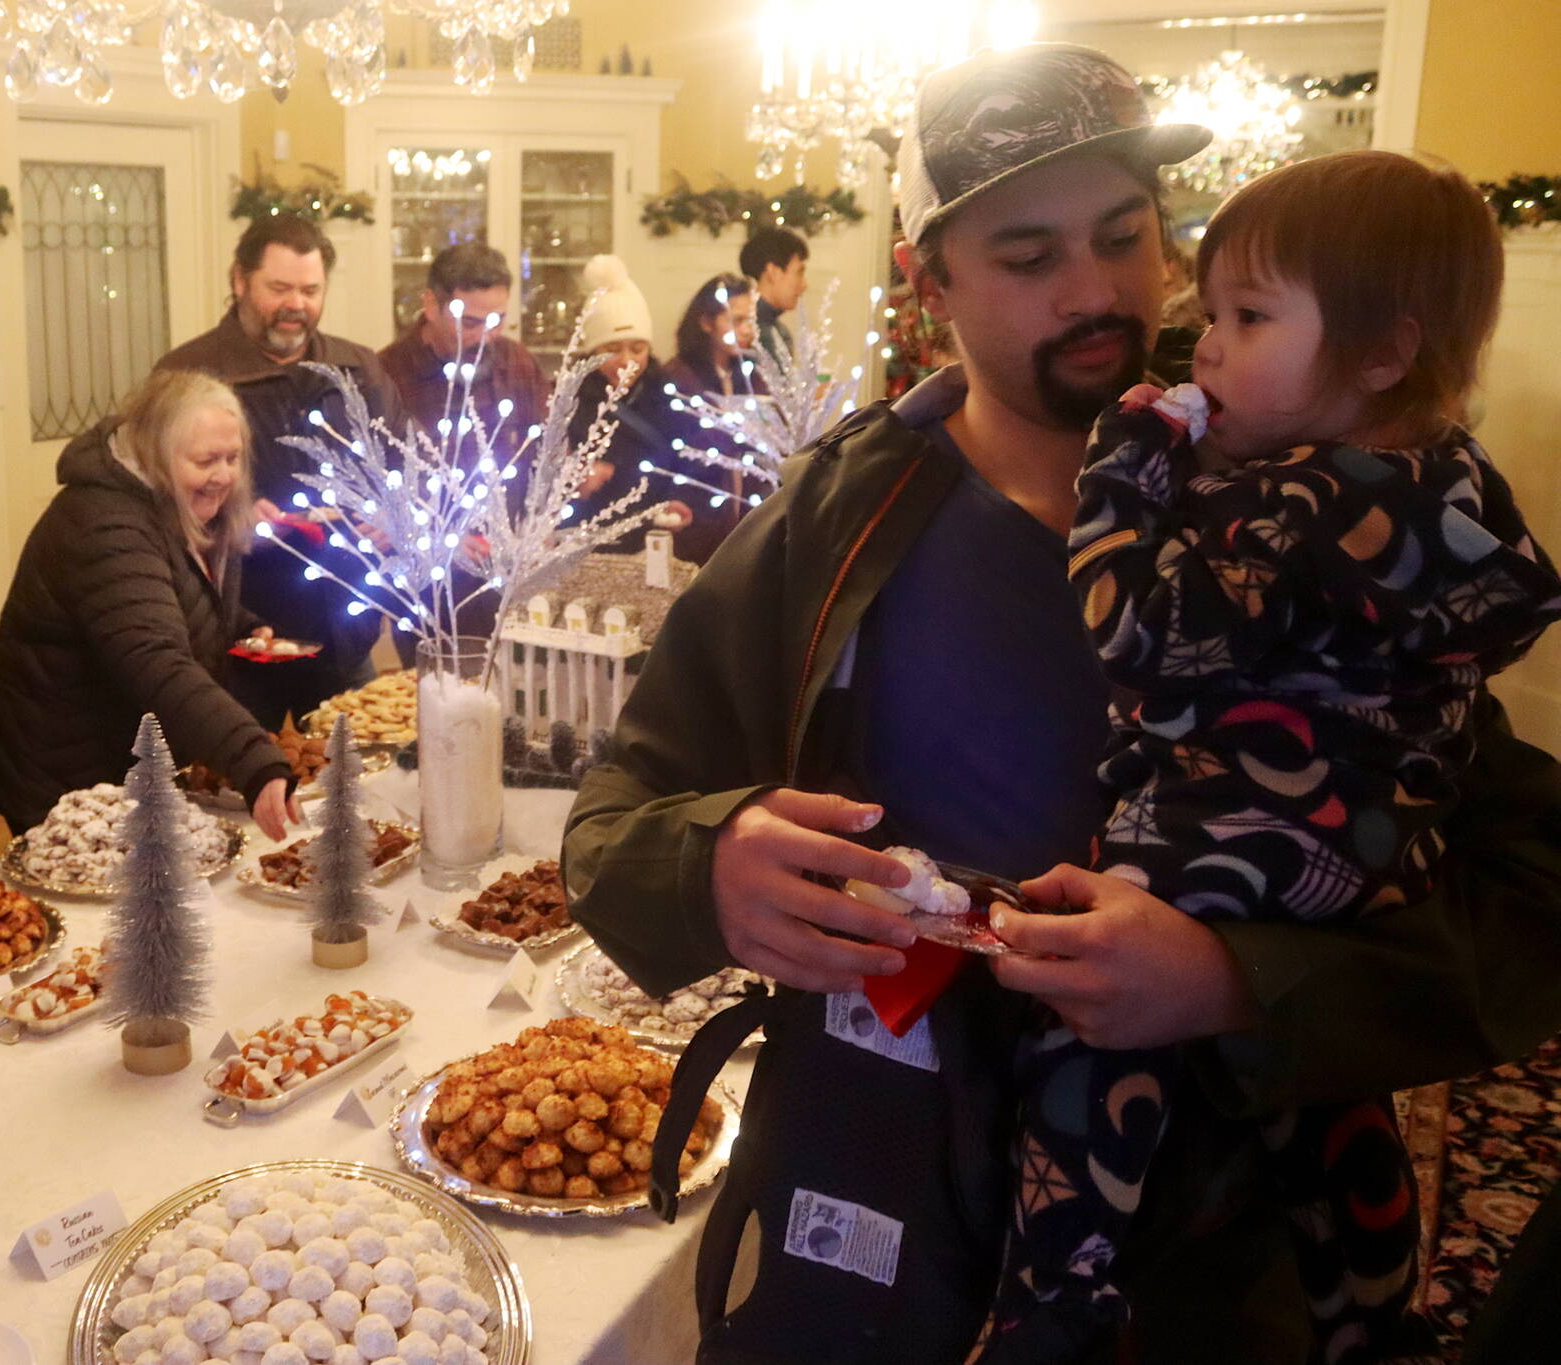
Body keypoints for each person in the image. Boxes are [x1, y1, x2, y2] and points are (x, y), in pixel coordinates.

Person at [562, 43, 1561, 1365]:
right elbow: (616, 816)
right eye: (1029, 256)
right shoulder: (844, 518)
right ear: (931, 281)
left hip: (1204, 1253)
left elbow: (1529, 888)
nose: (1097, 290)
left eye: (1125, 233)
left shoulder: (1322, 516)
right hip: (880, 1206)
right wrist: (717, 866)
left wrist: (1231, 980)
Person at [990, 150, 1557, 1364]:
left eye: (1246, 318)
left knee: (1085, 1019)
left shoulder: (1283, 501)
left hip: (1244, 829)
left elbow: (1133, 633)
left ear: (1378, 355)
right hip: (1386, 833)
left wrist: (1126, 468)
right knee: (1320, 1093)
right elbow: (1502, 611)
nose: (1201, 344)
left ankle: (1056, 1285)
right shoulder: (1450, 479)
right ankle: (1364, 1305)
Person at [0, 369, 301, 842]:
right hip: (58, 765)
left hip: (116, 752)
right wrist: (253, 758)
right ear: (155, 455)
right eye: (206, 460)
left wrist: (242, 623)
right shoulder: (106, 524)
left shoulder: (171, 502)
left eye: (233, 458)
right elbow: (154, 658)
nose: (223, 476)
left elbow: (170, 595)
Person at [155, 215, 397, 713]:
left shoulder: (357, 369)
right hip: (238, 637)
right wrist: (223, 521)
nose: (296, 305)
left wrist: (390, 515)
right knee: (246, 782)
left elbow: (402, 468)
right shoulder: (187, 376)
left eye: (310, 290)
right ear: (239, 281)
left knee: (357, 780)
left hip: (345, 630)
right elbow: (152, 504)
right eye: (280, 288)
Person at [563, 255, 692, 553]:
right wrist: (575, 477)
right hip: (587, 541)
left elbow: (683, 460)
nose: (627, 361)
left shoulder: (666, 394)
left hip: (652, 539)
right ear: (591, 351)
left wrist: (677, 498)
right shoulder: (570, 401)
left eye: (638, 348)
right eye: (612, 349)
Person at [379, 242, 548, 467]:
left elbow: (547, 451)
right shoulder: (387, 374)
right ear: (430, 304)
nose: (485, 336)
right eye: (469, 322)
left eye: (496, 321)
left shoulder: (517, 361)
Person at [663, 272, 763, 563]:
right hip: (695, 524)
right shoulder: (678, 378)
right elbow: (678, 451)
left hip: (744, 522)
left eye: (750, 321)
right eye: (736, 320)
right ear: (707, 322)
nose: (747, 330)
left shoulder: (750, 375)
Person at [738, 226, 809, 363]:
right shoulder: (752, 333)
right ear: (773, 272)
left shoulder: (774, 330)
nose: (804, 284)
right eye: (799, 272)